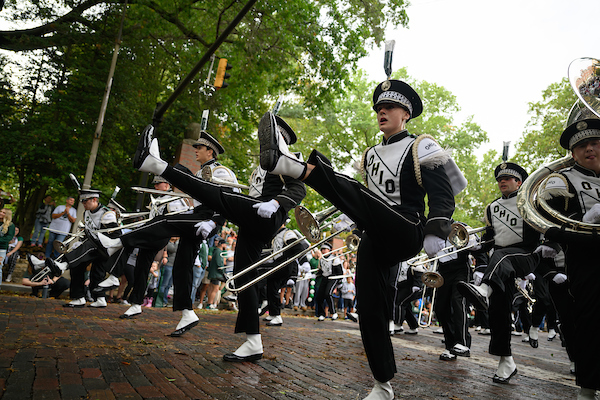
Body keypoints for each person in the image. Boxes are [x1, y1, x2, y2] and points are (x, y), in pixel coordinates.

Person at [257, 78, 462, 399]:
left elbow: (444, 192)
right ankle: (383, 383)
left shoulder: (421, 145)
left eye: (389, 107)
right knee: (370, 308)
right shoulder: (370, 154)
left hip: (407, 228)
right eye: (379, 108)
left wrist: (438, 228)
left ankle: (300, 168)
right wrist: (355, 224)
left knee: (352, 190)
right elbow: (366, 200)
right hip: (375, 232)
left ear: (406, 114)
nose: (382, 112)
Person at [131, 116, 306, 362]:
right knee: (244, 278)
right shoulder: (261, 166)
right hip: (251, 219)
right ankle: (253, 341)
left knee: (214, 194)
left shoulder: (288, 160)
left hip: (266, 216)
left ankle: (157, 165)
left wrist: (277, 203)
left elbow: (299, 189)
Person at [93, 132, 234, 337]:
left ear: (209, 151)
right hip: (198, 217)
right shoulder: (200, 172)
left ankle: (118, 243)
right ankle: (187, 313)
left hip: (206, 219)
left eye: (199, 148)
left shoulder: (220, 171)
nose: (195, 150)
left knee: (164, 221)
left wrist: (215, 221)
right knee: (181, 267)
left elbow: (230, 198)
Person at [457, 162, 554, 384]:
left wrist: (554, 246)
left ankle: (483, 290)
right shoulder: (492, 207)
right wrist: (474, 245)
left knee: (502, 256)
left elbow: (548, 226)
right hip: (501, 262)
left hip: (527, 254)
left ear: (519, 182)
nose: (502, 181)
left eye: (508, 179)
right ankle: (506, 361)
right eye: (500, 179)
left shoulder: (530, 201)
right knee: (499, 311)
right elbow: (492, 239)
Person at [537, 117, 600, 399]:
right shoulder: (563, 180)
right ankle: (587, 388)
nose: (590, 149)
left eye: (595, 143)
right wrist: (588, 218)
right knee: (590, 322)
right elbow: (553, 220)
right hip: (588, 261)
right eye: (583, 145)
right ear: (572, 153)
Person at [44, 189, 123, 308]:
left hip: (105, 248)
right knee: (87, 270)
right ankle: (86, 298)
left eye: (85, 201)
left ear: (94, 200)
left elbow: (116, 235)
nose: (83, 204)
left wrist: (97, 238)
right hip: (93, 247)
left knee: (89, 263)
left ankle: (63, 264)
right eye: (82, 201)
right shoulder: (87, 213)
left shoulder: (107, 214)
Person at [314, 242, 343, 321]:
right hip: (325, 278)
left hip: (333, 278)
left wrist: (339, 283)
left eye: (325, 249)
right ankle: (321, 314)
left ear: (329, 250)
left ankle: (333, 313)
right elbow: (321, 271)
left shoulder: (334, 259)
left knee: (328, 294)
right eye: (322, 249)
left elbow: (339, 272)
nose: (323, 251)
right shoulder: (322, 259)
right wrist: (315, 275)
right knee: (319, 297)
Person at [0, 208, 16, 282]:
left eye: (3, 212)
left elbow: (9, 238)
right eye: (1, 211)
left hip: (1, 248)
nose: (1, 213)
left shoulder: (11, 225)